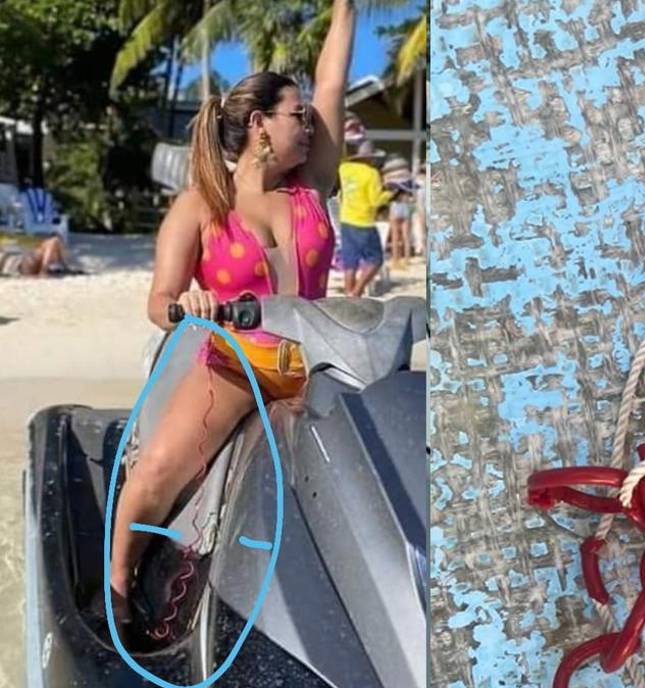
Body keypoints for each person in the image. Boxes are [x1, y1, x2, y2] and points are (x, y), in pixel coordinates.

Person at [107, 0, 356, 637]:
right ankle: (117, 586)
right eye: (297, 115)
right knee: (159, 469)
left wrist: (345, 7)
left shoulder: (311, 184)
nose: (310, 125)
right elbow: (159, 298)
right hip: (238, 362)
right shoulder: (201, 204)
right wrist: (184, 306)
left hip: (321, 359)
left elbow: (332, 82)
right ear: (258, 124)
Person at [337, 139, 392, 296]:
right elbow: (375, 200)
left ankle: (348, 293)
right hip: (364, 221)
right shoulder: (372, 173)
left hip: (346, 219)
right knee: (376, 259)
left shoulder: (344, 168)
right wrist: (389, 194)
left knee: (350, 261)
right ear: (370, 157)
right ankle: (357, 291)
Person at [0, 235, 72, 277]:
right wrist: (44, 271)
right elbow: (54, 242)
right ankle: (43, 271)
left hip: (18, 265)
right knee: (54, 241)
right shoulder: (53, 243)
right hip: (20, 264)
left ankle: (44, 270)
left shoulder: (55, 253)